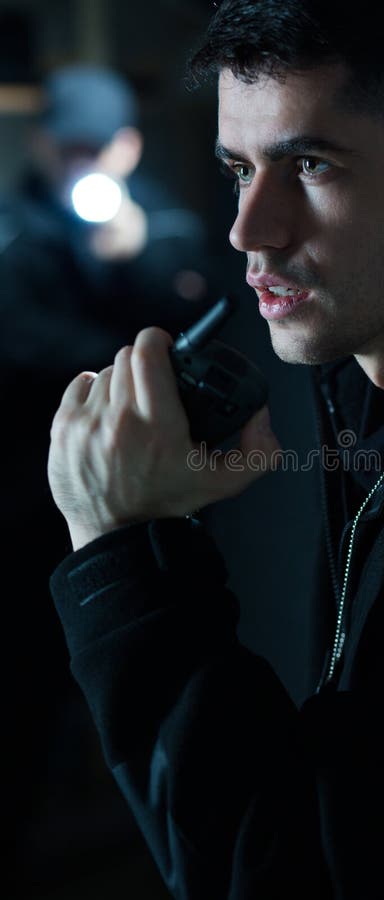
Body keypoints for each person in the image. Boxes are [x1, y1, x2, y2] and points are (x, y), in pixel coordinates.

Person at [45, 3, 384, 898]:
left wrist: (123, 558)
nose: (249, 230)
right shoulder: (376, 348)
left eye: (310, 164)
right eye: (239, 169)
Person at [2, 63, 215, 892]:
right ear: (44, 143)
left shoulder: (152, 216)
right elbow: (23, 340)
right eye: (70, 147)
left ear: (127, 146)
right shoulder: (15, 228)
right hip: (25, 514)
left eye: (102, 147)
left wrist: (132, 256)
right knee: (22, 695)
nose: (84, 164)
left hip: (149, 514)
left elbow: (205, 303)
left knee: (144, 694)